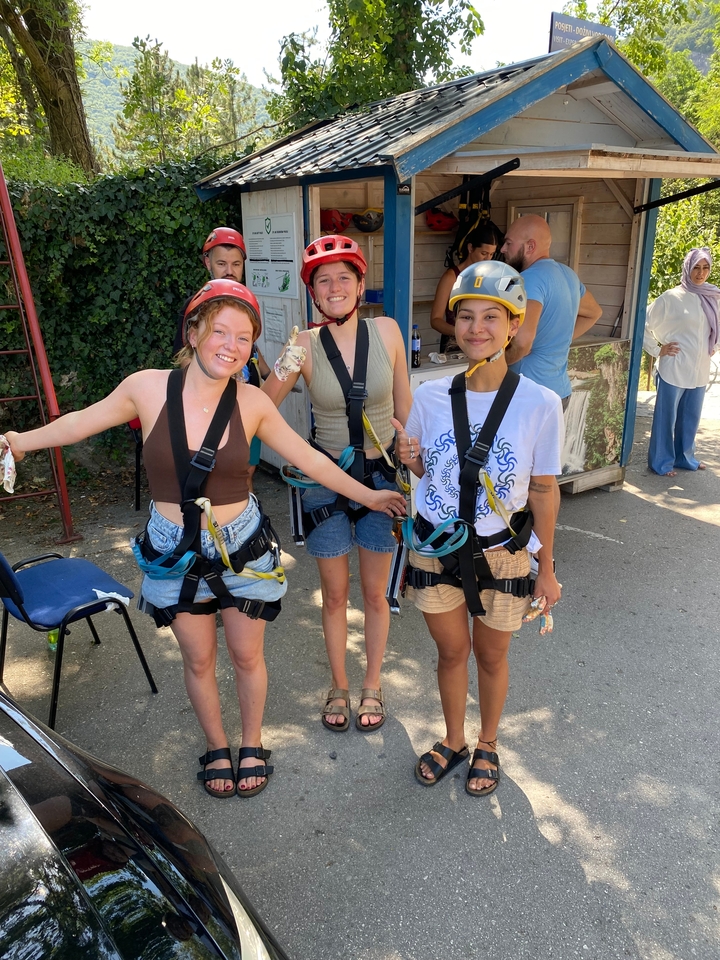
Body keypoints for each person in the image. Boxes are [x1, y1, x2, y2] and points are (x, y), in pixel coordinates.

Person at [3, 280, 405, 799]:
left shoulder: (254, 402)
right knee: (197, 659)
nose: (231, 346)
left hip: (242, 542)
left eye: (244, 337)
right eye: (219, 331)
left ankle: (253, 742)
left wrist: (370, 497)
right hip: (172, 545)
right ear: (193, 332)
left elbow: (310, 462)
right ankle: (218, 746)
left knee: (246, 655)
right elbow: (81, 423)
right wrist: (18, 442)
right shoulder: (146, 388)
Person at [391, 261, 563, 797]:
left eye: (493, 317)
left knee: (491, 654)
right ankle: (453, 738)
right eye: (466, 316)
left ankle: (487, 741)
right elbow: (427, 469)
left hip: (503, 552)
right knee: (450, 652)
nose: (476, 328)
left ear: (514, 327)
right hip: (436, 548)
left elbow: (542, 490)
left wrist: (547, 569)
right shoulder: (429, 397)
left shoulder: (540, 403)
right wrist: (408, 458)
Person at [263, 235, 412, 733]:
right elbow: (262, 406)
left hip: (382, 477)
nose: (334, 287)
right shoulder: (299, 346)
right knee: (333, 593)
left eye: (343, 277)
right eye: (323, 280)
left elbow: (405, 408)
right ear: (312, 292)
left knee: (374, 593)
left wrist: (412, 455)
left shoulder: (388, 331)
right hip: (327, 481)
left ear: (360, 283)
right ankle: (339, 685)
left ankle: (372, 683)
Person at [173, 227, 271, 491]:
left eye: (236, 264)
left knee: (248, 469)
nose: (230, 270)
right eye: (221, 263)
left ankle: (246, 520)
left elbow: (249, 346)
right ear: (207, 263)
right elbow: (184, 359)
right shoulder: (197, 306)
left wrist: (270, 373)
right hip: (214, 405)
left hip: (247, 400)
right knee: (217, 472)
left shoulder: (245, 302)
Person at [500, 214, 602, 407]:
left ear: (530, 246)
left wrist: (494, 365)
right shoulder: (569, 275)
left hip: (527, 394)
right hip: (559, 392)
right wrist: (554, 341)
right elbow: (594, 313)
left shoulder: (528, 279)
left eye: (508, 243)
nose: (503, 249)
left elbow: (522, 343)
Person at [643, 247, 720, 476]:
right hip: (674, 367)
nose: (700, 273)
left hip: (698, 368)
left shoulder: (712, 296)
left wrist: (712, 347)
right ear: (688, 268)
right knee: (666, 418)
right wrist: (657, 349)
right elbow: (643, 324)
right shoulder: (671, 297)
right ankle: (661, 463)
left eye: (705, 267)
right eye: (696, 267)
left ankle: (685, 458)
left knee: (690, 418)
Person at [430, 222, 503, 352]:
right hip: (454, 343)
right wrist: (461, 332)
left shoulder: (491, 277)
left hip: (483, 342)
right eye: (484, 253)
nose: (488, 259)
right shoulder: (451, 277)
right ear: (470, 248)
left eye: (491, 254)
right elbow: (435, 320)